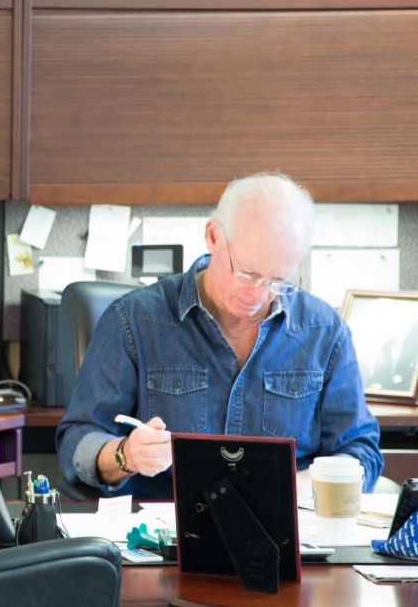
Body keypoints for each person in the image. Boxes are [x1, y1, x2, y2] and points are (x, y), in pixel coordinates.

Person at [57, 172, 383, 499]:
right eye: (247, 274)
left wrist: (301, 489)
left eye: (277, 280)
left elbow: (360, 450)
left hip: (288, 533)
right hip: (165, 538)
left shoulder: (325, 332)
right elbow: (78, 440)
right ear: (213, 236)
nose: (259, 294)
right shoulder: (134, 321)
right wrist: (126, 455)